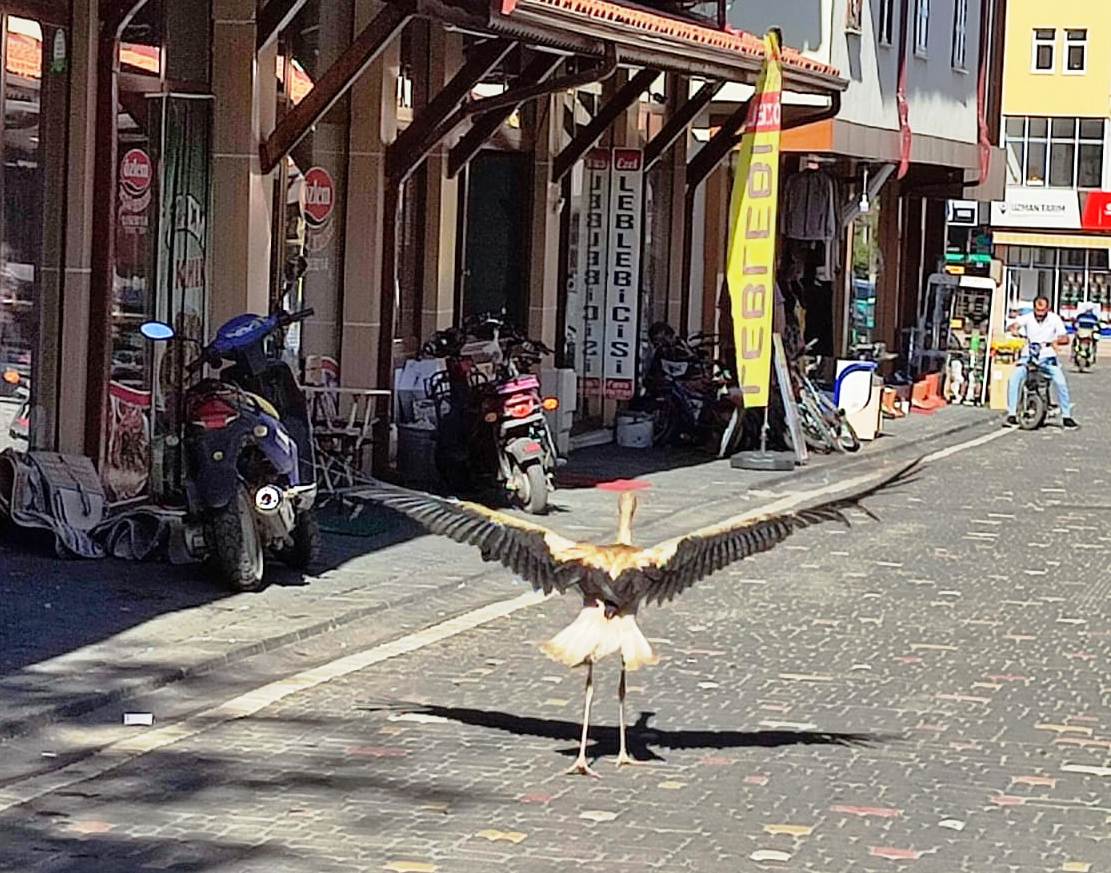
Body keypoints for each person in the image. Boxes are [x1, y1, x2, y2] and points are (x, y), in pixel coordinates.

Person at [1005, 295, 1077, 429]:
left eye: (1042, 312)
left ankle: (1066, 416)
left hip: (1047, 356)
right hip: (1029, 355)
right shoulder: (1028, 317)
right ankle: (1012, 414)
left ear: (1047, 309)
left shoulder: (1054, 319)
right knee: (1014, 379)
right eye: (1037, 311)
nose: (1039, 315)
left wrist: (1057, 341)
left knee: (1060, 382)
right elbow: (1014, 325)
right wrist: (1014, 329)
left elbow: (1065, 338)